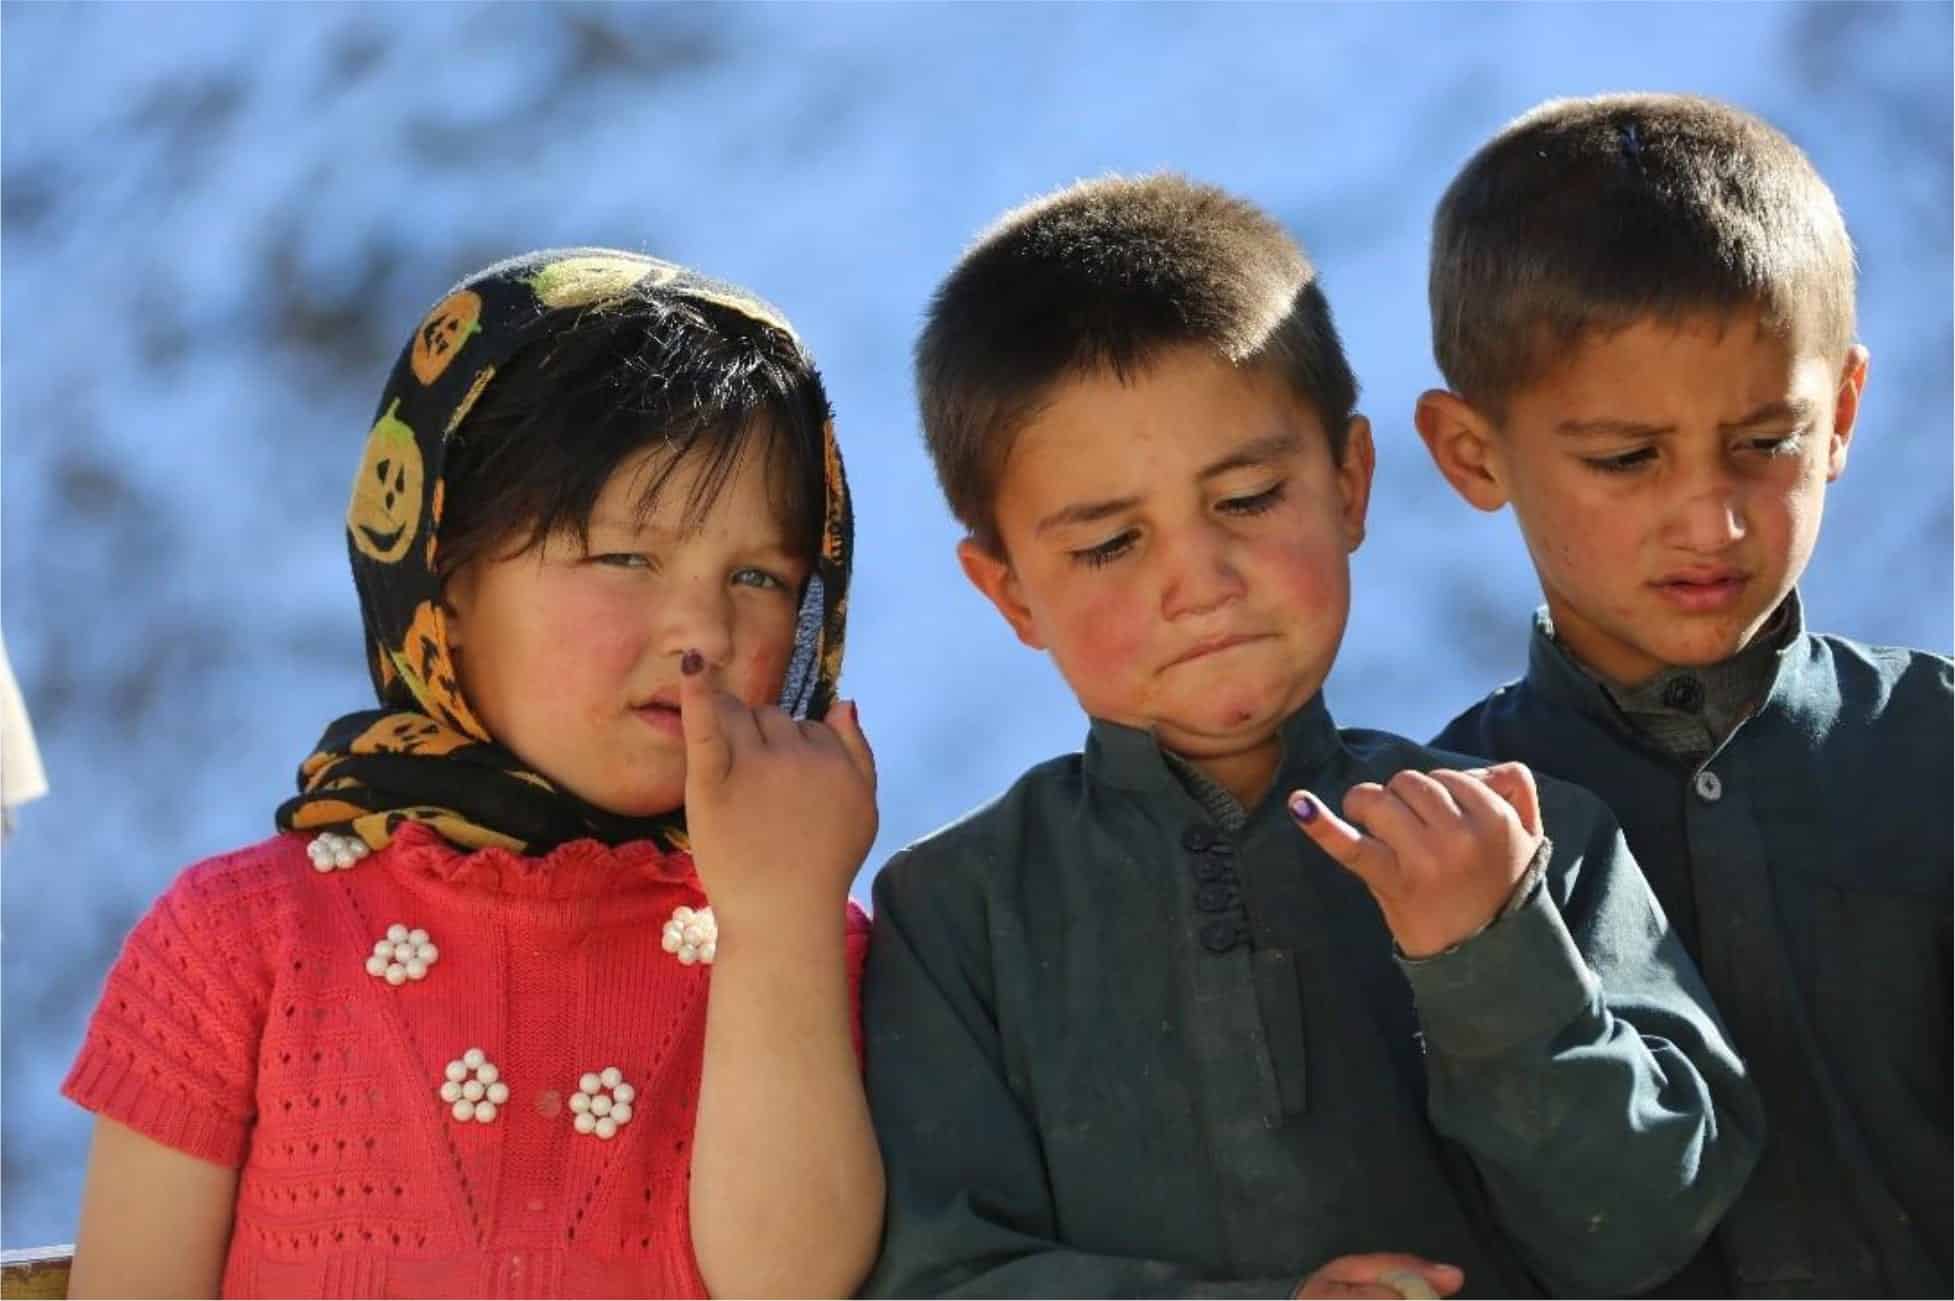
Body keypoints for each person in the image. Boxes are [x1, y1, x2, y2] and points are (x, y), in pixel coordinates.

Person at [862, 173, 1761, 1300]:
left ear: (1348, 482)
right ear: (1009, 593)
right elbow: (936, 1277)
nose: (1197, 581)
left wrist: (1490, 955)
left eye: (1244, 498)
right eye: (1107, 544)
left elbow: (1653, 1224)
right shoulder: (957, 916)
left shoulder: (1522, 835)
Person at [62, 249, 882, 1298]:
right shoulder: (239, 945)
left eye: (760, 576)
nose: (704, 630)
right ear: (441, 584)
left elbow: (791, 1282)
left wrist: (777, 923)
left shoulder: (825, 950)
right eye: (624, 557)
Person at [1418, 93, 1952, 1298]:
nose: (1709, 520)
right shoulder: (1442, 843)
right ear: (1471, 453)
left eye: (1764, 442)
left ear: (1842, 416)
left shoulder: (1938, 750)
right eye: (1625, 458)